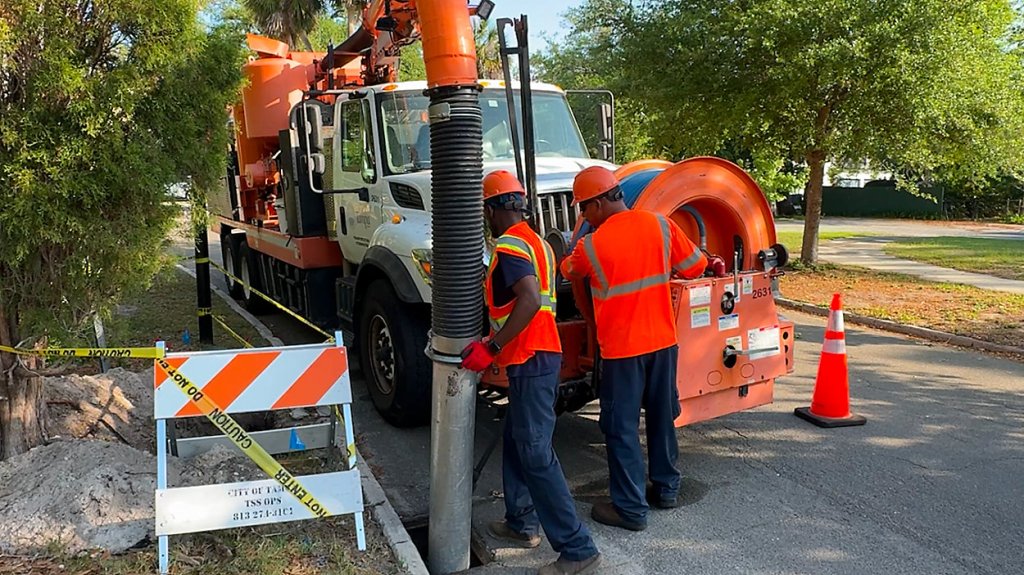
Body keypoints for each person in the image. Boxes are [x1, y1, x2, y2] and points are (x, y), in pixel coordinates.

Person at [462, 170, 601, 575]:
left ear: (490, 209)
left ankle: (578, 549)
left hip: (532, 357)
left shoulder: (508, 247)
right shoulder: (537, 242)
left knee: (536, 451)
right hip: (538, 356)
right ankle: (521, 522)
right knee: (517, 438)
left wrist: (491, 347)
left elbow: (526, 300)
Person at [560, 166, 708, 532]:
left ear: (595, 205)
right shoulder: (660, 225)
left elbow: (568, 271)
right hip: (662, 343)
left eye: (583, 209)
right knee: (661, 417)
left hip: (622, 352)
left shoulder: (591, 245)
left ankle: (629, 509)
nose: (583, 216)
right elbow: (696, 267)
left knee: (621, 428)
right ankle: (667, 488)